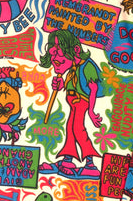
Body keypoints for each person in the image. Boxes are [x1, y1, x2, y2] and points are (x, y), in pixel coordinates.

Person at [39, 29, 104, 178]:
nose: (55, 58)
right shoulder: (73, 69)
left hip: (81, 103)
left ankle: (90, 164)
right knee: (70, 129)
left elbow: (93, 88)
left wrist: (91, 111)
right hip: (73, 104)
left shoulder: (86, 66)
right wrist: (60, 85)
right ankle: (68, 160)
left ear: (75, 50)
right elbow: (71, 85)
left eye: (60, 54)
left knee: (78, 129)